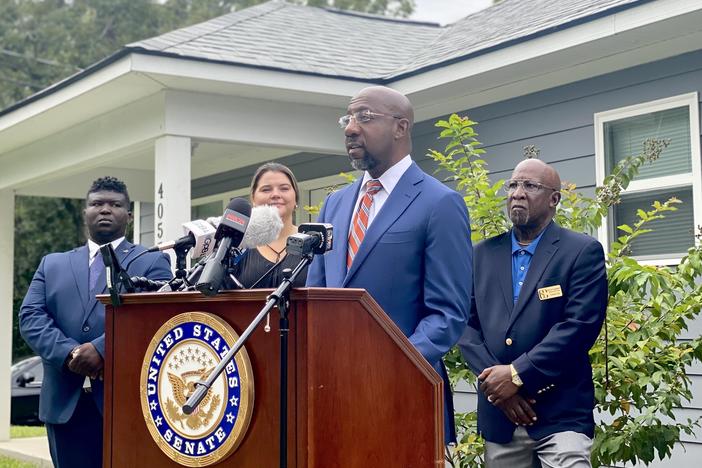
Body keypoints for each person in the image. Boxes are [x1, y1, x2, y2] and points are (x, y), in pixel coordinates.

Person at [306, 86, 473, 445]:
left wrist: (388, 367)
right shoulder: (334, 205)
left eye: (364, 117)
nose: (351, 127)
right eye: (348, 118)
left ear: (401, 127)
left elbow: (448, 314)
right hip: (330, 398)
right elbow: (315, 298)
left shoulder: (440, 203)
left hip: (402, 397)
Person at [458, 159, 608, 467]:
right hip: (500, 415)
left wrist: (516, 375)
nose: (517, 193)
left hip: (561, 411)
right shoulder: (481, 254)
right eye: (513, 185)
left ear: (554, 198)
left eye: (530, 186)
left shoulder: (580, 251)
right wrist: (499, 388)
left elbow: (578, 328)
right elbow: (465, 326)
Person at [19, 176, 172, 468]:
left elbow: (157, 315)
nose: (105, 210)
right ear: (85, 212)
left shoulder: (151, 261)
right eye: (97, 204)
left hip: (127, 402)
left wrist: (102, 349)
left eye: (115, 205)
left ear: (128, 215)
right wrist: (70, 353)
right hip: (65, 404)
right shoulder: (52, 264)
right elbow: (31, 317)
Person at [231, 162, 308, 288]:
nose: (276, 195)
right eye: (266, 189)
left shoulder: (314, 244)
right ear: (253, 199)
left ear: (296, 198)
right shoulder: (238, 246)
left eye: (284, 188)